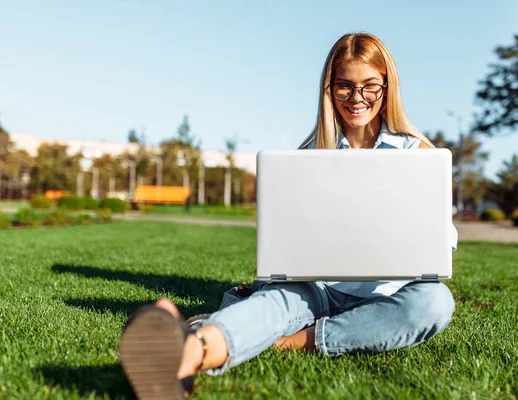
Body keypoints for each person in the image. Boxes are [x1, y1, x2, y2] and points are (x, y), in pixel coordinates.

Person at [119, 32, 458, 399]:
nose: (357, 98)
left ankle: (284, 342)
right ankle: (189, 353)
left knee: (435, 302)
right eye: (344, 86)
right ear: (329, 90)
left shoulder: (418, 153)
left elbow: (444, 236)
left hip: (388, 293)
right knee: (277, 302)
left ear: (387, 87)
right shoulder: (311, 154)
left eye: (369, 86)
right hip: (319, 288)